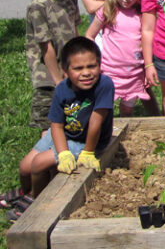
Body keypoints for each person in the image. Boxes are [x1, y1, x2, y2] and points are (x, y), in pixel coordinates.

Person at [12, 37, 114, 220]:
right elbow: (56, 125)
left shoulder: (104, 85)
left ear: (100, 65)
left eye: (92, 66)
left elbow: (95, 123)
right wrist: (63, 153)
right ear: (65, 71)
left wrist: (89, 152)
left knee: (39, 164)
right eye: (78, 68)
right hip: (64, 133)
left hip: (87, 142)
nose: (86, 73)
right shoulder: (61, 89)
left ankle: (37, 203)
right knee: (25, 167)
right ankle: (25, 192)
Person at [85, 0, 159, 117]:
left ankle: (124, 135)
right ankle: (103, 136)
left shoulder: (142, 13)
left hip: (134, 73)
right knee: (103, 109)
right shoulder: (108, 10)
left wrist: (147, 67)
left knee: (127, 110)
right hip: (109, 71)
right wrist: (94, 62)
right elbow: (89, 35)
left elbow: (149, 40)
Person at [26, 0, 80, 131]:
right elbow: (45, 47)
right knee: (48, 120)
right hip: (47, 73)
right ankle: (43, 153)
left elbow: (74, 29)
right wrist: (57, 80)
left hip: (68, 66)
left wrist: (77, 61)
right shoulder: (38, 5)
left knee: (72, 113)